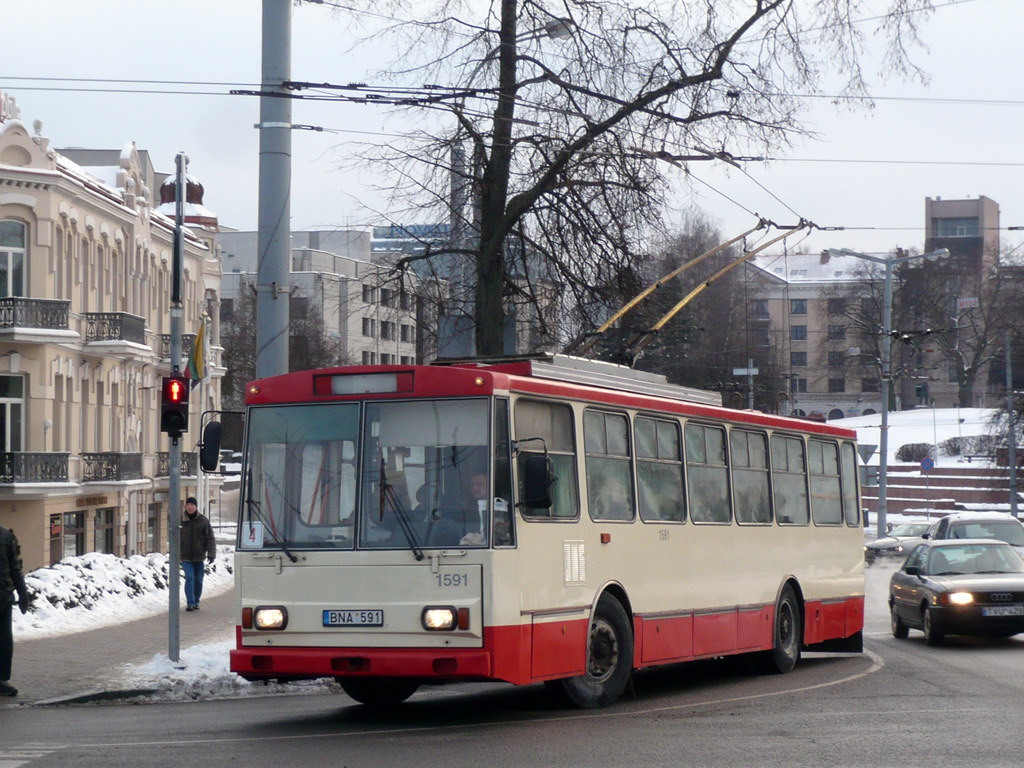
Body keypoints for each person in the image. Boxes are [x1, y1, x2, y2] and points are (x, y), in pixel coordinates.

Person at [1, 524, 30, 697]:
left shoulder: (4, 536)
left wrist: (22, 592)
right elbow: (14, 568)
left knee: (5, 641)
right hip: (4, 594)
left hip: (4, 597)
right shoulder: (5, 535)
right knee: (4, 640)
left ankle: (2, 679)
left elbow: (14, 567)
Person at [180, 496, 216, 612]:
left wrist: (211, 553)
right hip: (185, 557)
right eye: (188, 505)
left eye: (192, 505)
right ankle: (190, 603)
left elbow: (210, 538)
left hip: (199, 557)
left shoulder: (203, 521)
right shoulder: (181, 521)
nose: (190, 507)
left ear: (196, 507)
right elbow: (175, 537)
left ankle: (196, 600)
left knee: (199, 580)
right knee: (190, 578)